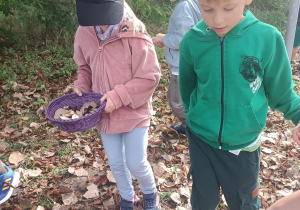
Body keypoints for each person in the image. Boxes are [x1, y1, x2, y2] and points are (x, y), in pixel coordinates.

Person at [179, 0, 300, 209]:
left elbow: (283, 94)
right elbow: (187, 88)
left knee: (244, 203)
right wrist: (195, 115)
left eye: (228, 8)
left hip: (243, 147)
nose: (217, 19)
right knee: (202, 201)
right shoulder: (192, 40)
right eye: (207, 9)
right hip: (201, 141)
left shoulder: (267, 39)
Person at [73, 0, 160, 209]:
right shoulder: (84, 31)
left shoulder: (135, 35)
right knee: (116, 162)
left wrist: (118, 96)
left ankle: (150, 192)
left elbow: (150, 77)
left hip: (134, 112)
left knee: (136, 162)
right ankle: (128, 197)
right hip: (105, 114)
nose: (100, 25)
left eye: (105, 17)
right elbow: (84, 67)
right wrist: (82, 86)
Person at [152, 0, 202, 135]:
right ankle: (191, 126)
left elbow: (184, 39)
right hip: (194, 63)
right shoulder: (194, 3)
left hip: (182, 66)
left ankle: (192, 129)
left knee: (176, 101)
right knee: (191, 98)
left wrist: (164, 39)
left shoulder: (183, 7)